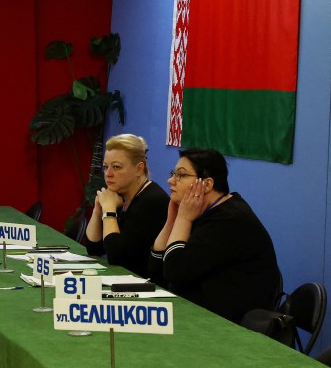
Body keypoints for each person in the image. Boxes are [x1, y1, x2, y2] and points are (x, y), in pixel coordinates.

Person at [150, 148, 280, 323]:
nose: (171, 180)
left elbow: (174, 273)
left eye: (181, 175)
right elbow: (156, 273)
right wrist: (171, 221)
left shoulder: (229, 220)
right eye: (173, 173)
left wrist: (182, 219)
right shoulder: (205, 211)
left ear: (207, 184)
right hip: (204, 315)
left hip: (234, 328)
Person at [82, 134, 169, 279]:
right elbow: (93, 248)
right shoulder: (119, 195)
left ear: (139, 169)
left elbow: (117, 257)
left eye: (116, 167)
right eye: (105, 167)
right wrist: (98, 210)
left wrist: (109, 211)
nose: (108, 174)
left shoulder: (152, 201)